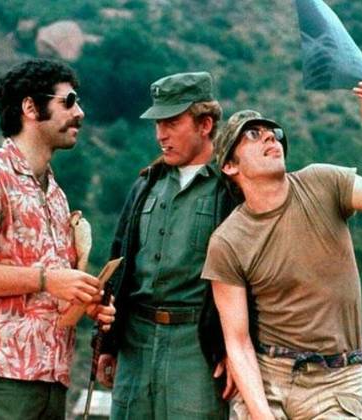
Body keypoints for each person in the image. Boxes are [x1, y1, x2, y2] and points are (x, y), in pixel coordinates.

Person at [202, 75, 362, 419]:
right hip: (270, 376)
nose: (269, 137)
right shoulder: (228, 241)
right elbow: (238, 341)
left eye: (272, 133)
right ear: (230, 165)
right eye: (253, 134)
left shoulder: (323, 183)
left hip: (337, 381)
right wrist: (262, 415)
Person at [0, 59, 115, 420]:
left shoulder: (55, 194)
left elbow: (46, 292)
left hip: (49, 381)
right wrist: (47, 279)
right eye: (68, 101)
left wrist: (84, 300)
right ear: (30, 107)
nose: (79, 112)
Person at [96, 71, 239, 419]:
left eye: (172, 123)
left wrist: (234, 351)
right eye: (158, 124)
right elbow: (119, 263)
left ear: (205, 124)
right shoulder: (146, 185)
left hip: (197, 347)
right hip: (136, 342)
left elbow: (250, 276)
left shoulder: (230, 188)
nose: (161, 134)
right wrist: (107, 342)